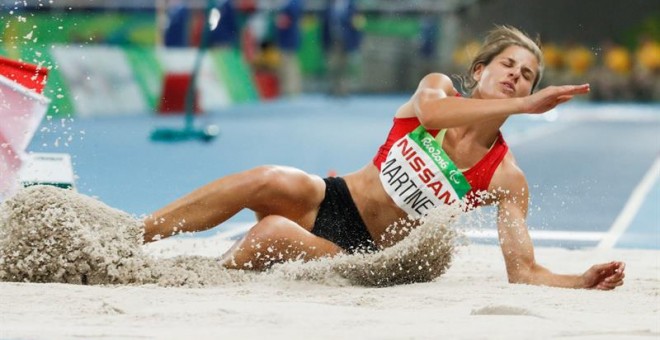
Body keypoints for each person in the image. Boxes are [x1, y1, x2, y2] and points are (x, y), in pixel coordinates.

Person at [144, 26, 625, 290]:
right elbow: (434, 111)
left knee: (269, 232)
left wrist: (579, 281)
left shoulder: (504, 175)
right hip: (333, 199)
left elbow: (523, 271)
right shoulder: (435, 90)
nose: (516, 78)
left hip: (366, 251)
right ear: (479, 70)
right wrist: (522, 106)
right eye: (508, 66)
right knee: (267, 177)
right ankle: (133, 236)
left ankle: (194, 282)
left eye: (527, 77)